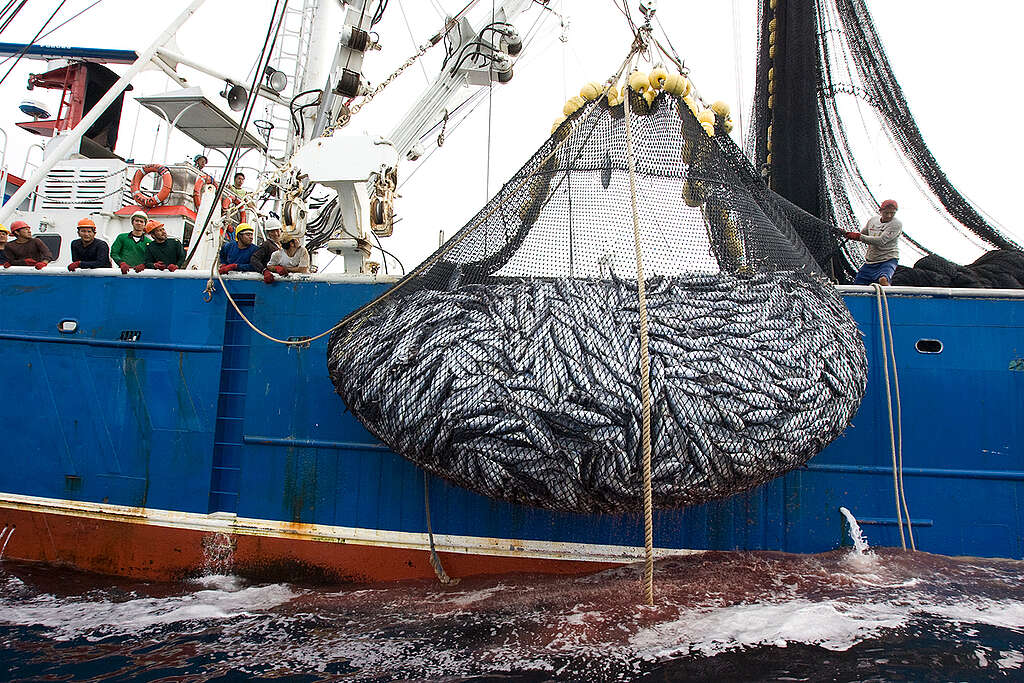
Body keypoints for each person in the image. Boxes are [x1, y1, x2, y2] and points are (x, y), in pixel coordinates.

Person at [845, 199, 902, 286]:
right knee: (858, 283)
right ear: (880, 211)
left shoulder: (896, 224)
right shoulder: (873, 220)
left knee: (883, 279)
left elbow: (881, 241)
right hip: (871, 261)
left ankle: (888, 297)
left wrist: (859, 237)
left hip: (887, 260)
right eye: (886, 213)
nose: (889, 215)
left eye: (892, 213)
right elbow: (863, 233)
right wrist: (848, 234)